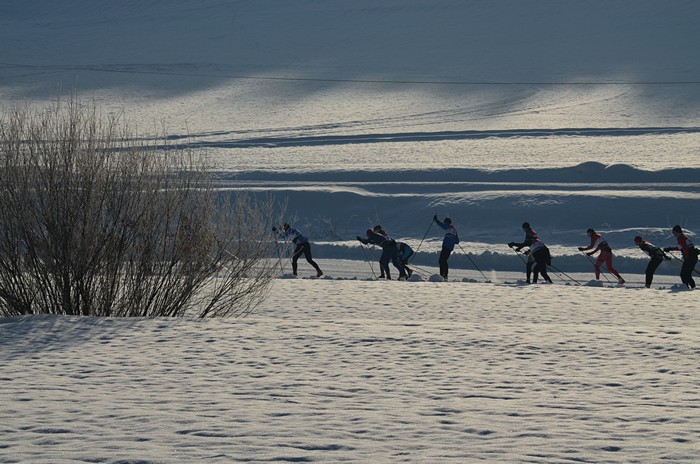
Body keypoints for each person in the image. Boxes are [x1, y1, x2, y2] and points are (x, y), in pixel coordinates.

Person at [663, 225, 698, 289]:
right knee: (687, 274)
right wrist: (669, 249)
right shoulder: (684, 237)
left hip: (690, 258)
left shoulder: (681, 238)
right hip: (693, 257)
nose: (673, 234)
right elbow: (681, 247)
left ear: (676, 232)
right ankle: (692, 287)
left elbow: (685, 248)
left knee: (683, 274)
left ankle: (686, 287)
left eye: (673, 232)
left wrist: (686, 258)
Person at [433, 215, 459, 279]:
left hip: (446, 246)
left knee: (441, 260)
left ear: (447, 223)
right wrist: (452, 239)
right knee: (444, 260)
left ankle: (443, 275)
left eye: (445, 222)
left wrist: (436, 220)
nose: (444, 223)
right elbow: (457, 241)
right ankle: (444, 275)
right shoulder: (454, 230)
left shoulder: (448, 227)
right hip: (450, 248)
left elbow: (442, 225)